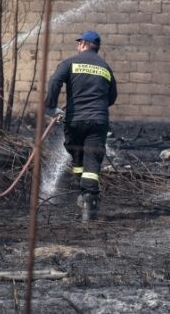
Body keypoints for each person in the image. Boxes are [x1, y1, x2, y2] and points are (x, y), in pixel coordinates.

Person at [45, 30, 117, 222]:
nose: (77, 46)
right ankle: (89, 202)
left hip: (75, 121)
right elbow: (112, 97)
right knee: (91, 163)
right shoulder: (105, 68)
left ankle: (83, 192)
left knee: (77, 155)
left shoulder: (70, 63)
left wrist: (51, 107)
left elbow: (54, 81)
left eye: (79, 43)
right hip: (98, 121)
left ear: (84, 44)